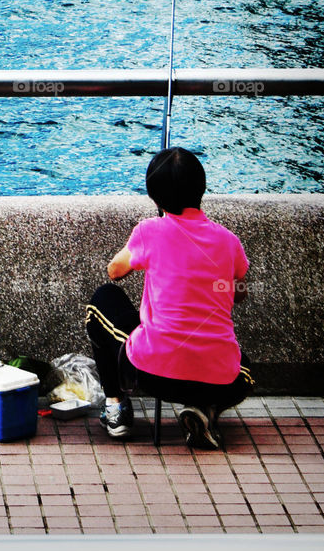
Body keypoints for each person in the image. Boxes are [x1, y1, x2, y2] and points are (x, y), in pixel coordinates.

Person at [85, 146, 254, 450]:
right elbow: (239, 293)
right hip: (218, 379)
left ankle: (116, 407)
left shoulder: (149, 231)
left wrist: (146, 241)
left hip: (152, 374)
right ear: (201, 189)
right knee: (245, 368)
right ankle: (206, 409)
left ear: (154, 196)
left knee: (103, 299)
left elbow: (114, 272)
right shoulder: (229, 241)